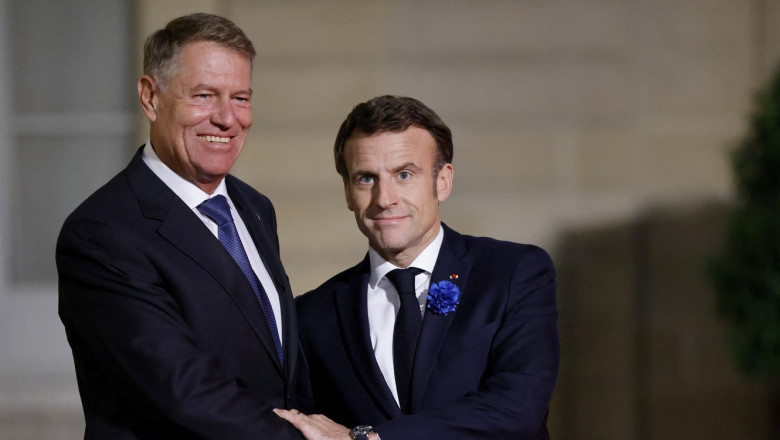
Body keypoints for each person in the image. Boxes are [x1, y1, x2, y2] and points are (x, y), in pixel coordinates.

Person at [57, 13, 303, 439]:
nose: (227, 118)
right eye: (204, 95)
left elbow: (271, 357)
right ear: (151, 97)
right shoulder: (102, 233)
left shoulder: (254, 207)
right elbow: (181, 391)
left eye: (241, 98)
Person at [275, 95, 560, 440]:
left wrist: (371, 439)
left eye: (404, 175)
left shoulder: (513, 273)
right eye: (366, 179)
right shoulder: (311, 316)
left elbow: (517, 409)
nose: (385, 198)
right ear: (348, 192)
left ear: (443, 182)